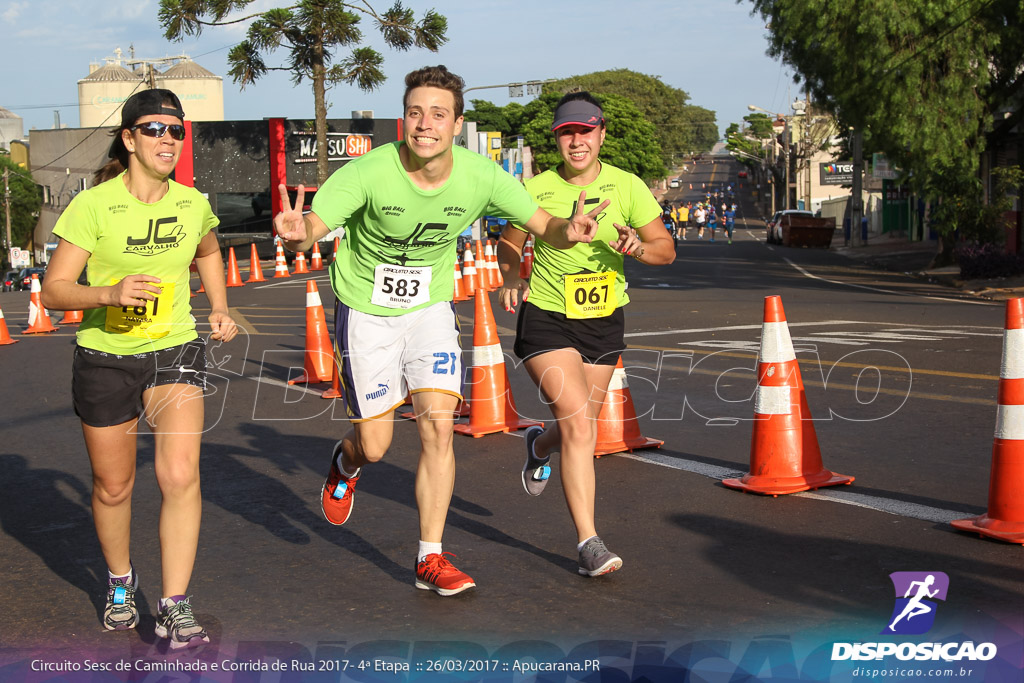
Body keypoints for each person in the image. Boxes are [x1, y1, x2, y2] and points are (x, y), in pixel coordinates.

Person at [273, 66, 620, 596]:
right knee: (377, 443)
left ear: (457, 123)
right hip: (365, 310)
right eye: (415, 113)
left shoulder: (481, 176)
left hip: (430, 309)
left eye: (438, 114)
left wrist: (566, 232)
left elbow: (541, 223)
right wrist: (299, 236)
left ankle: (429, 557)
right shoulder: (369, 171)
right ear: (403, 119)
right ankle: (344, 464)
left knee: (438, 426)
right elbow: (314, 229)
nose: (425, 124)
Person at [41, 89, 238, 648]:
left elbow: (206, 251)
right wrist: (110, 292)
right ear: (129, 139)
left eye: (177, 130)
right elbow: (55, 290)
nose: (168, 139)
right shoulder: (93, 205)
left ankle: (175, 602)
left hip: (174, 348)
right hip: (106, 357)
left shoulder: (191, 202)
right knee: (113, 485)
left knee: (180, 475)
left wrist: (219, 308)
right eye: (155, 129)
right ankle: (121, 583)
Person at [495, 92, 675, 577]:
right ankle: (589, 543)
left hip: (603, 319)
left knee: (579, 430)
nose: (577, 141)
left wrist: (637, 246)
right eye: (567, 133)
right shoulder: (536, 188)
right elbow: (508, 245)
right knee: (578, 423)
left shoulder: (628, 185)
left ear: (601, 134)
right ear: (558, 138)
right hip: (547, 316)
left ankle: (538, 445)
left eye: (586, 131)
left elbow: (666, 250)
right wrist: (512, 275)